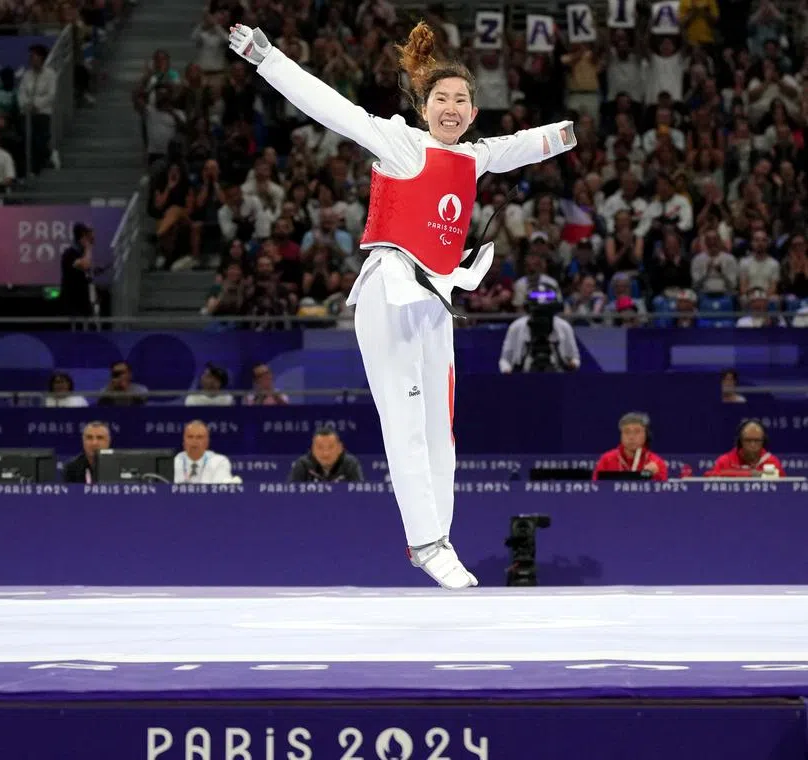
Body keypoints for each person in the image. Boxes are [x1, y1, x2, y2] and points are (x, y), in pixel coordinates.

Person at [229, 22, 577, 589]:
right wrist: (268, 59)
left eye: (462, 99)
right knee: (407, 423)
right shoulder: (401, 143)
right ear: (423, 105)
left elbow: (521, 147)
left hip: (437, 300)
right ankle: (426, 540)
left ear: (472, 110)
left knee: (442, 430)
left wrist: (565, 133)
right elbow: (330, 106)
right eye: (441, 97)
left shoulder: (474, 158)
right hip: (390, 291)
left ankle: (438, 537)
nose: (452, 106)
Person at [592, 412, 668, 481]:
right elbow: (596, 489)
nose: (631, 437)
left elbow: (663, 494)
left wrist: (655, 476)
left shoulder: (657, 463)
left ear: (646, 435)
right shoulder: (606, 460)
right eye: (626, 432)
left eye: (637, 431)